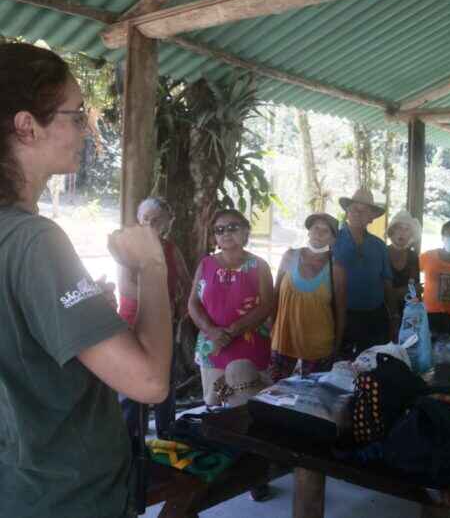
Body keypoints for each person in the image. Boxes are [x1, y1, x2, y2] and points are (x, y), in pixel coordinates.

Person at [0, 43, 172, 518]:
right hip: (69, 498)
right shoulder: (35, 241)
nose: (89, 131)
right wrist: (152, 266)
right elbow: (150, 382)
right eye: (77, 116)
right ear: (26, 126)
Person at [118, 196, 191, 439]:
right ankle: (130, 434)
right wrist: (157, 300)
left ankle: (167, 430)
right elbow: (126, 288)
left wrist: (182, 305)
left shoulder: (170, 248)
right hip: (131, 322)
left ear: (167, 223)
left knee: (165, 379)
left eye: (157, 220)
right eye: (145, 218)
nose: (150, 224)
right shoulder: (128, 248)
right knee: (132, 379)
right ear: (138, 219)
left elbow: (185, 280)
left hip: (164, 325)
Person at [188, 209, 273, 406]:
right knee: (214, 406)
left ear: (246, 231)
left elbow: (267, 305)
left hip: (249, 346)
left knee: (247, 409)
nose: (225, 233)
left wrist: (233, 331)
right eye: (219, 229)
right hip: (212, 346)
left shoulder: (259, 266)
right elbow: (193, 303)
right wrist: (212, 331)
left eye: (232, 227)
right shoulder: (206, 264)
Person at [270, 213, 346, 381]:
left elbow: (341, 312)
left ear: (333, 239)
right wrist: (271, 328)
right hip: (283, 341)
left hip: (318, 348)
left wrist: (336, 347)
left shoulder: (336, 269)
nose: (318, 233)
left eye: (325, 231)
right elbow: (275, 295)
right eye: (315, 228)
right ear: (309, 232)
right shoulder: (289, 256)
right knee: (275, 397)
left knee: (311, 400)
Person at [334, 189, 397, 357]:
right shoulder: (333, 240)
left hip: (374, 318)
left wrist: (394, 318)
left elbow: (387, 283)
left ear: (371, 218)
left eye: (365, 211)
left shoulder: (379, 245)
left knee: (371, 366)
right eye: (354, 209)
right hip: (340, 316)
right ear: (347, 212)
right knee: (339, 367)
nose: (358, 214)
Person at [386, 210, 421, 322]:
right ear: (392, 231)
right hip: (383, 312)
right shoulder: (382, 252)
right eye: (399, 228)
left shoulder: (412, 256)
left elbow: (415, 290)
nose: (402, 233)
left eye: (407, 229)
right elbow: (380, 291)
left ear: (411, 234)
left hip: (407, 314)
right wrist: (405, 291)